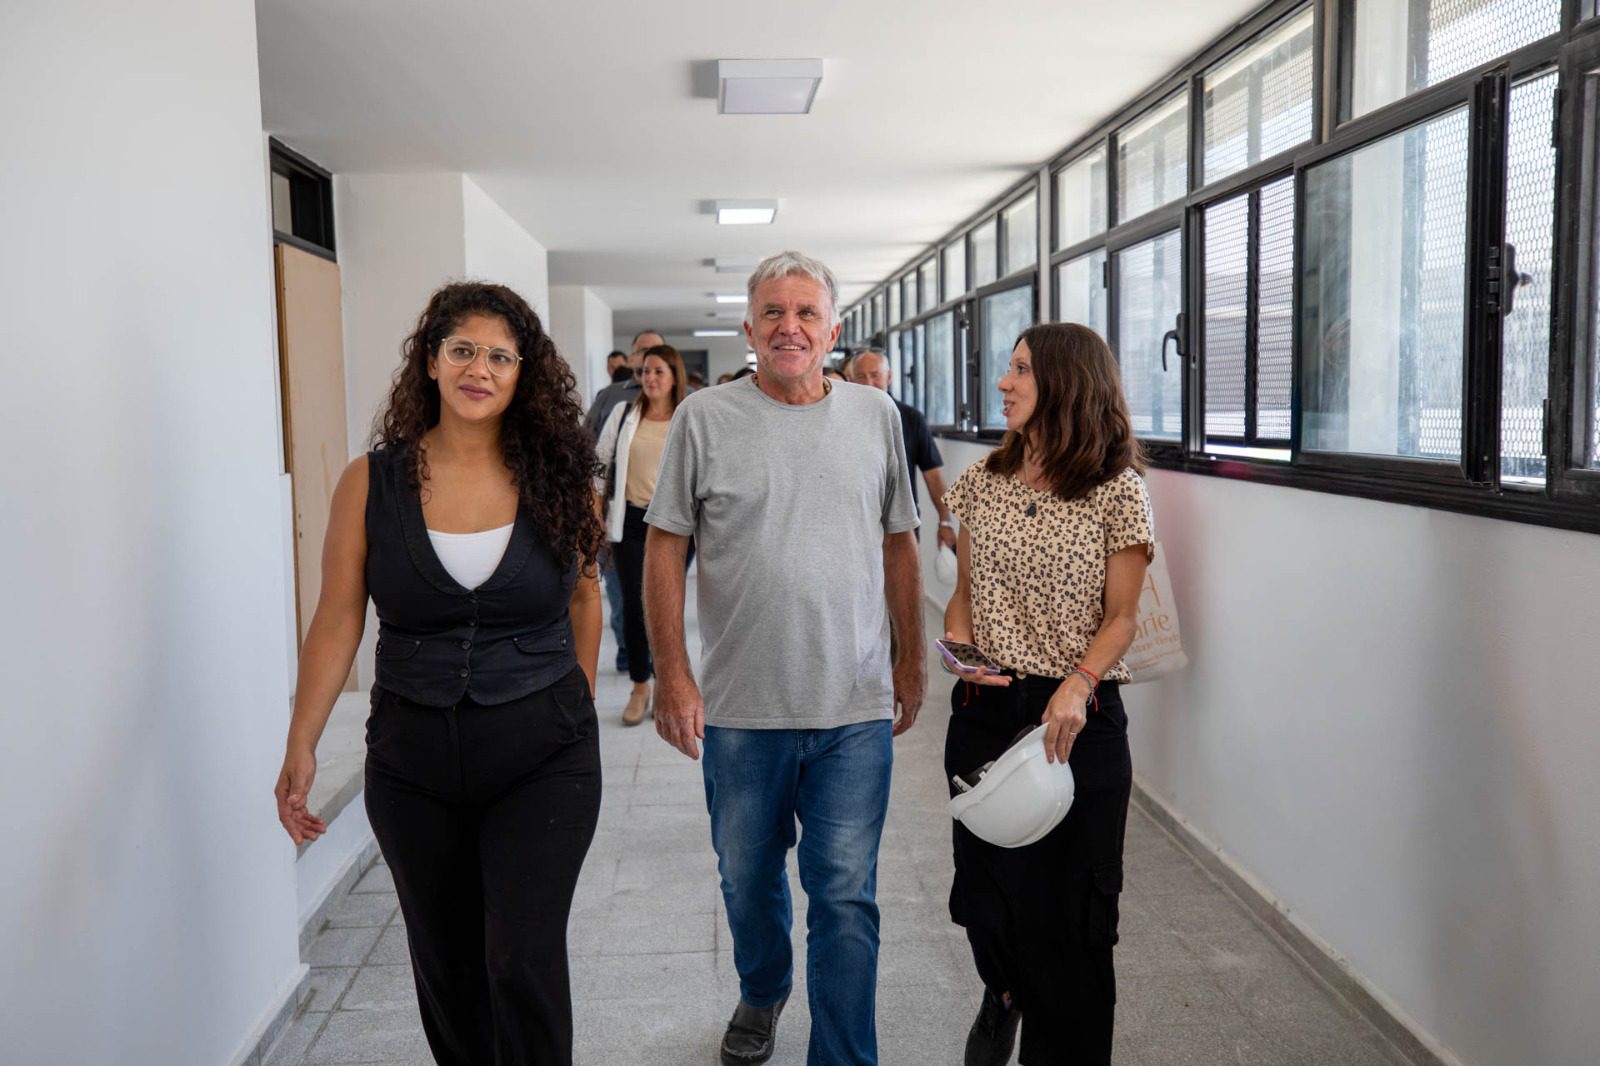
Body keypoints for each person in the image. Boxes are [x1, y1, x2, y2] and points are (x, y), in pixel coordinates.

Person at [273, 282, 605, 1066]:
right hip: (413, 760)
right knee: (447, 966)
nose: (479, 369)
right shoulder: (372, 482)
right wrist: (302, 740)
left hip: (543, 756)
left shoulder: (561, 479)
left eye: (500, 355)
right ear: (430, 362)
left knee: (518, 957)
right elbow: (336, 617)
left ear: (524, 374)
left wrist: (577, 701)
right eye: (462, 351)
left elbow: (586, 600)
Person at [643, 251, 926, 1066]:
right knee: (747, 879)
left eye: (806, 313)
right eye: (773, 312)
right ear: (749, 329)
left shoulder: (877, 416)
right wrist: (673, 674)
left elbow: (900, 545)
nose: (789, 327)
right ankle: (763, 989)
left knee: (843, 898)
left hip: (853, 706)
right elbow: (666, 549)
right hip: (741, 709)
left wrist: (909, 662)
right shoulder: (704, 419)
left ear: (833, 330)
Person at [940, 323, 1152, 1066]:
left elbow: (1123, 617)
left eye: (1022, 369)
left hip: (1076, 722)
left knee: (1073, 923)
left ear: (1065, 382)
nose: (1004, 382)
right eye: (1008, 367)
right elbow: (962, 597)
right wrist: (959, 652)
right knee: (988, 898)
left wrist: (1079, 682)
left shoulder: (1117, 491)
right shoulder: (985, 481)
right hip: (985, 713)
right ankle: (1003, 993)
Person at [595, 343, 689, 725]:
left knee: (671, 603)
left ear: (673, 378)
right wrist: (596, 518)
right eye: (645, 372)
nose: (649, 379)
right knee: (636, 607)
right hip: (632, 522)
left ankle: (671, 681)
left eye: (658, 372)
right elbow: (598, 468)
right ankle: (640, 685)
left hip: (679, 525)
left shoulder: (688, 416)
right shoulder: (623, 414)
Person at [588, 330, 663, 671]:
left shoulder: (686, 403)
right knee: (625, 596)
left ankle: (660, 661)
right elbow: (593, 455)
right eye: (642, 354)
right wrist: (594, 510)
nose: (648, 365)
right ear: (632, 359)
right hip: (622, 516)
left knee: (660, 597)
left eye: (656, 357)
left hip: (668, 520)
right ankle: (631, 656)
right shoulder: (612, 400)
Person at [847, 348, 958, 551]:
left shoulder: (911, 418)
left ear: (888, 377)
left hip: (902, 527)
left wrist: (945, 522)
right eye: (861, 377)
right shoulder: (842, 420)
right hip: (855, 528)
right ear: (851, 379)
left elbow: (932, 474)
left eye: (875, 375)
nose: (868, 383)